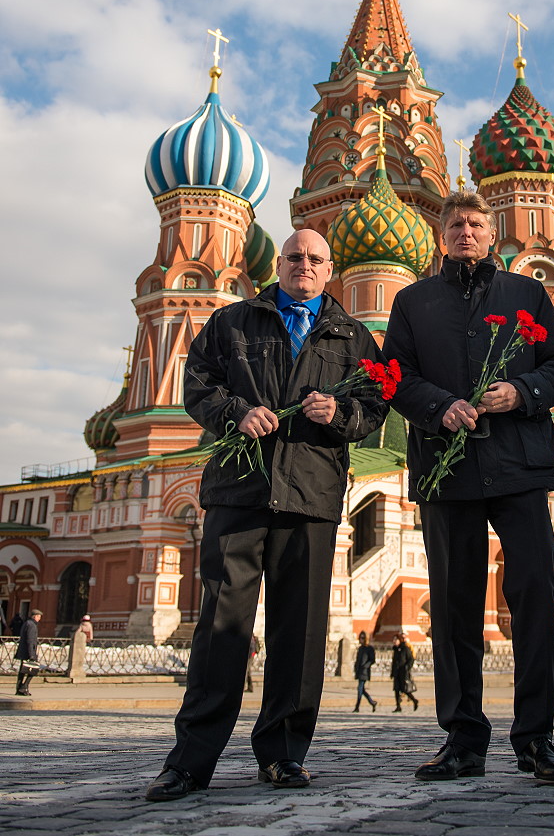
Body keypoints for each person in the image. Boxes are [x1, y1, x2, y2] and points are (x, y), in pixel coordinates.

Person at [145, 229, 389, 802]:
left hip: (311, 494)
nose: (305, 265)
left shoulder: (352, 336)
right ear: (279, 264)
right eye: (295, 257)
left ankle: (283, 754)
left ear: (330, 269)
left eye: (316, 259)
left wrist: (340, 413)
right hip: (240, 491)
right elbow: (197, 383)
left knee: (299, 632)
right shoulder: (233, 321)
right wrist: (236, 412)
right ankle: (190, 761)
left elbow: (377, 405)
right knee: (221, 627)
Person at [384, 190, 554, 785]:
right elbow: (394, 375)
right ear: (441, 235)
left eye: (474, 223)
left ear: (490, 233)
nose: (465, 232)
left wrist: (521, 392)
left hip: (518, 464)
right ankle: (463, 738)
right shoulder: (414, 301)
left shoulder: (527, 293)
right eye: (455, 224)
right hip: (448, 469)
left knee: (536, 594)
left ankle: (536, 738)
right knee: (454, 604)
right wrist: (439, 407)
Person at [15, 609, 42, 696]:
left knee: (22, 671)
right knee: (33, 670)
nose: (39, 619)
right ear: (34, 616)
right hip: (28, 651)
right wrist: (32, 654)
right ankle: (24, 687)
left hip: (23, 650)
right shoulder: (32, 625)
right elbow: (30, 640)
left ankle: (19, 688)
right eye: (38, 617)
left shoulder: (27, 623)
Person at [390, 633, 418, 712]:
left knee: (404, 689)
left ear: (400, 640)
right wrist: (392, 672)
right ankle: (398, 706)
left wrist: (407, 667)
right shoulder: (395, 650)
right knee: (396, 689)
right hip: (397, 672)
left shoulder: (405, 648)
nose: (394, 641)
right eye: (393, 640)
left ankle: (414, 700)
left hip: (403, 672)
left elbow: (411, 659)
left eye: (396, 639)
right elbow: (394, 662)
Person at [353, 631, 377, 712]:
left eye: (363, 638)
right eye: (360, 638)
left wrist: (365, 666)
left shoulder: (369, 648)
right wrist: (356, 667)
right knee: (362, 690)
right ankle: (372, 702)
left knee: (360, 689)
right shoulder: (360, 648)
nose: (361, 639)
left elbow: (372, 660)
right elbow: (358, 660)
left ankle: (357, 706)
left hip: (365, 671)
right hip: (359, 671)